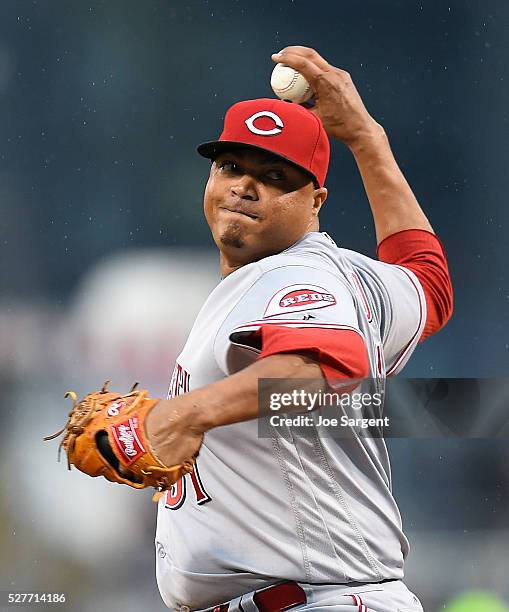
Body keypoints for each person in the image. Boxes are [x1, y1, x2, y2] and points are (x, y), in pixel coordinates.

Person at [144, 46, 453, 612]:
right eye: (231, 166)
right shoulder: (351, 276)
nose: (244, 186)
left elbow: (321, 367)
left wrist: (184, 413)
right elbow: (428, 286)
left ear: (316, 201)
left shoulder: (287, 274)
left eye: (274, 177)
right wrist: (365, 137)